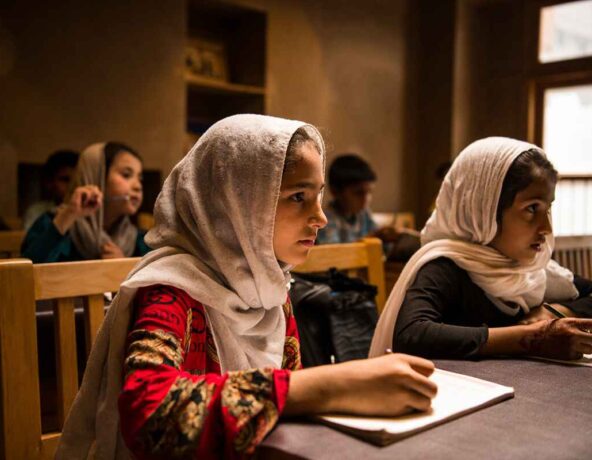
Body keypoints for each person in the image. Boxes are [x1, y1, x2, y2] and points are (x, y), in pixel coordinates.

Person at [55, 115, 437, 459]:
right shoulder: (173, 291)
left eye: (319, 196)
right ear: (235, 202)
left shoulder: (268, 287)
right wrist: (327, 386)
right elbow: (151, 414)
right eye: (298, 197)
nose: (319, 217)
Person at [370, 137, 592, 361]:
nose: (546, 228)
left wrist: (555, 311)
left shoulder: (529, 271)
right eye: (531, 208)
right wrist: (532, 338)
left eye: (548, 209)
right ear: (484, 210)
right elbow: (411, 336)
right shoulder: (447, 265)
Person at [21, 142, 150, 263]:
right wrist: (68, 216)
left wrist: (125, 270)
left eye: (140, 178)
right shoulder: (52, 224)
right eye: (126, 175)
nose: (138, 186)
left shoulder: (141, 240)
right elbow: (23, 274)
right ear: (95, 176)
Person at [317, 154, 420, 261]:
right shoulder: (326, 219)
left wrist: (386, 237)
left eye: (369, 192)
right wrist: (372, 238)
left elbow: (382, 247)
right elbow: (333, 258)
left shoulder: (363, 214)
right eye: (358, 193)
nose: (366, 199)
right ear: (335, 191)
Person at [23, 149, 79, 230]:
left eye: (76, 181)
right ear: (49, 182)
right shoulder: (36, 213)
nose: (72, 186)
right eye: (65, 180)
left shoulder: (87, 213)